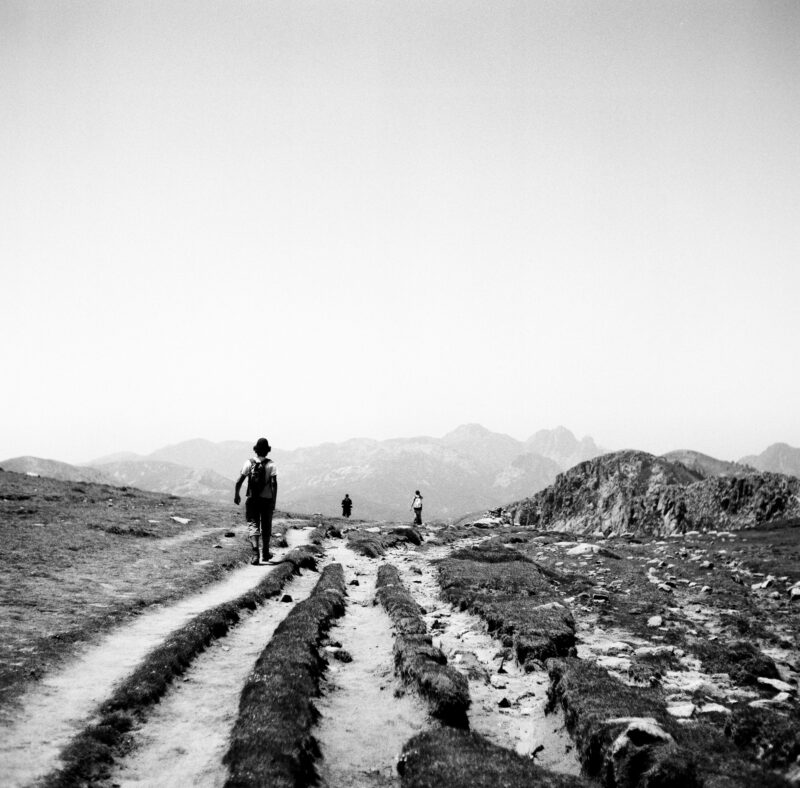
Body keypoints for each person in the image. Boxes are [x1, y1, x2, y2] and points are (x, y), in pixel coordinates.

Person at [234, 437, 278, 564]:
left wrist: (237, 495)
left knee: (253, 525)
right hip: (267, 500)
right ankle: (265, 553)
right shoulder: (271, 464)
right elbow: (274, 484)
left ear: (256, 450)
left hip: (252, 499)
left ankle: (255, 554)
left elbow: (239, 481)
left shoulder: (249, 463)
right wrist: (273, 501)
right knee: (266, 526)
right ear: (267, 450)